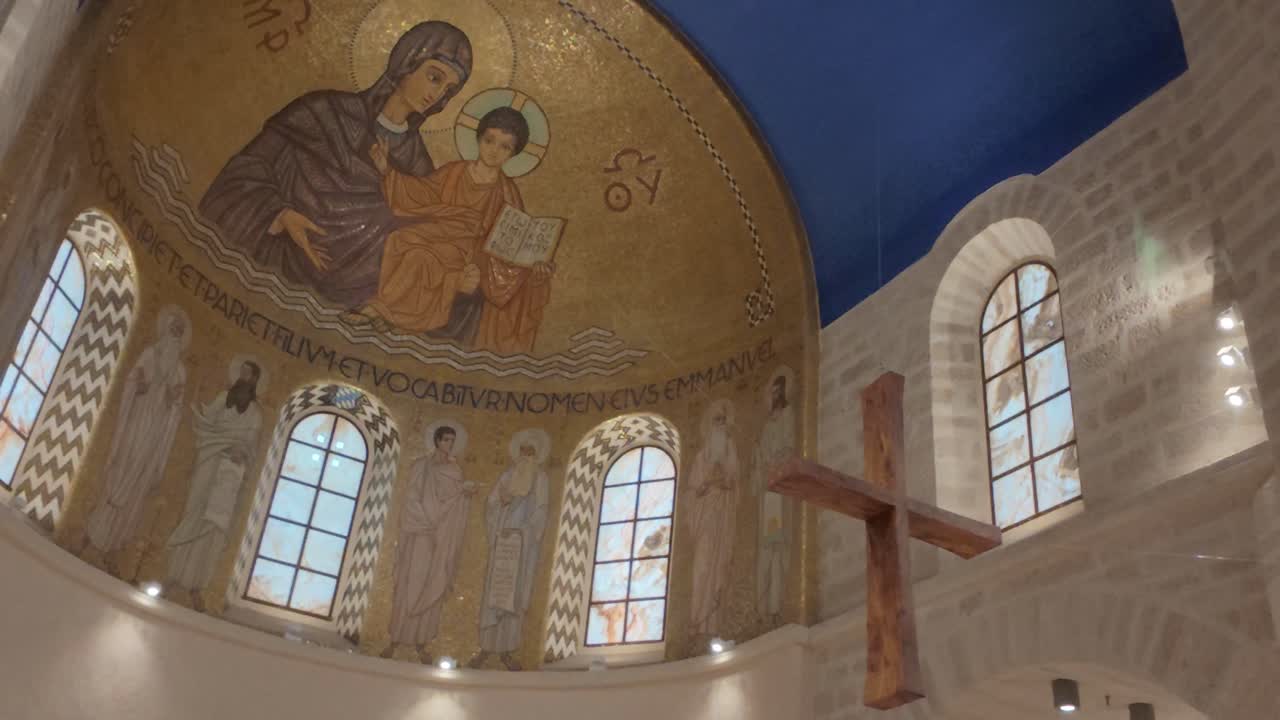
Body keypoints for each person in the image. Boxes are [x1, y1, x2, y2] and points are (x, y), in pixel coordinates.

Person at [199, 21, 473, 308]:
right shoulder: (323, 111)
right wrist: (279, 214)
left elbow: (419, 245)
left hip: (351, 302)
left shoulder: (418, 166)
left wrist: (452, 275)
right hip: (275, 267)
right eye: (434, 77)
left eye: (449, 90)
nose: (438, 94)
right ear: (406, 63)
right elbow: (247, 169)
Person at [343, 106, 554, 353]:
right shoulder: (455, 171)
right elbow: (423, 193)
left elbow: (512, 244)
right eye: (490, 140)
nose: (494, 151)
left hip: (471, 250)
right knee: (401, 238)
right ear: (479, 138)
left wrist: (535, 266)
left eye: (504, 147)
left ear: (513, 154)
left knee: (423, 257)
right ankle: (392, 316)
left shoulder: (507, 193)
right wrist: (387, 170)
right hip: (439, 233)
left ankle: (384, 313)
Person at [77, 307, 190, 577]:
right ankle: (90, 537)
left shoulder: (181, 371)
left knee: (137, 482)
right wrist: (138, 385)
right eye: (173, 329)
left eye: (179, 333)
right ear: (165, 330)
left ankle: (113, 548)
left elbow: (176, 407)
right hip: (136, 422)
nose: (175, 335)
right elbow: (132, 381)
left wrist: (173, 401)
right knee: (120, 472)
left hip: (155, 433)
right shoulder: (150, 354)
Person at [164, 360, 264, 612]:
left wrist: (240, 451)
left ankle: (198, 585)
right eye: (240, 372)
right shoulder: (223, 398)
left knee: (216, 525)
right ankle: (174, 578)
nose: (242, 378)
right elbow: (207, 422)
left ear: (254, 381)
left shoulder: (255, 413)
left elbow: (251, 444)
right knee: (195, 510)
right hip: (211, 457)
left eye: (247, 375)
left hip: (231, 469)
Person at [384, 422, 476, 663]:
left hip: (441, 537)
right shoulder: (420, 467)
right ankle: (395, 639)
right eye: (445, 439)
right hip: (419, 533)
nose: (449, 444)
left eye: (452, 441)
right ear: (436, 441)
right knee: (409, 582)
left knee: (432, 580)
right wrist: (425, 520)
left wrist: (463, 495)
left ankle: (421, 643)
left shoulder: (455, 472)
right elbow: (411, 499)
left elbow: (455, 504)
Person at [468, 428, 551, 671]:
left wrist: (524, 532)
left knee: (512, 598)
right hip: (502, 542)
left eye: (530, 453)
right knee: (493, 594)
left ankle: (506, 652)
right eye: (522, 452)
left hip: (522, 546)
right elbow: (492, 502)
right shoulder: (508, 476)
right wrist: (499, 505)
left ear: (536, 455)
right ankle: (486, 648)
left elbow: (541, 511)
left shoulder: (540, 479)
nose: (525, 457)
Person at [685, 398, 741, 636]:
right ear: (709, 425)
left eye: (723, 420)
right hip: (705, 515)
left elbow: (733, 481)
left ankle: (713, 623)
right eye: (716, 420)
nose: (720, 425)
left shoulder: (730, 451)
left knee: (718, 566)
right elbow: (693, 489)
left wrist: (723, 479)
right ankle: (697, 618)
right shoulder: (699, 458)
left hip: (722, 516)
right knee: (701, 565)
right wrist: (708, 481)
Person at [751, 370, 797, 625]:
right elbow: (762, 456)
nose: (775, 395)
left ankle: (775, 607)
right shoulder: (768, 424)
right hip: (769, 490)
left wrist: (772, 462)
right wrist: (758, 457)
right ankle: (766, 608)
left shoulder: (787, 416)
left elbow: (789, 447)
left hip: (779, 489)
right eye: (773, 391)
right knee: (769, 548)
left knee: (775, 547)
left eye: (779, 390)